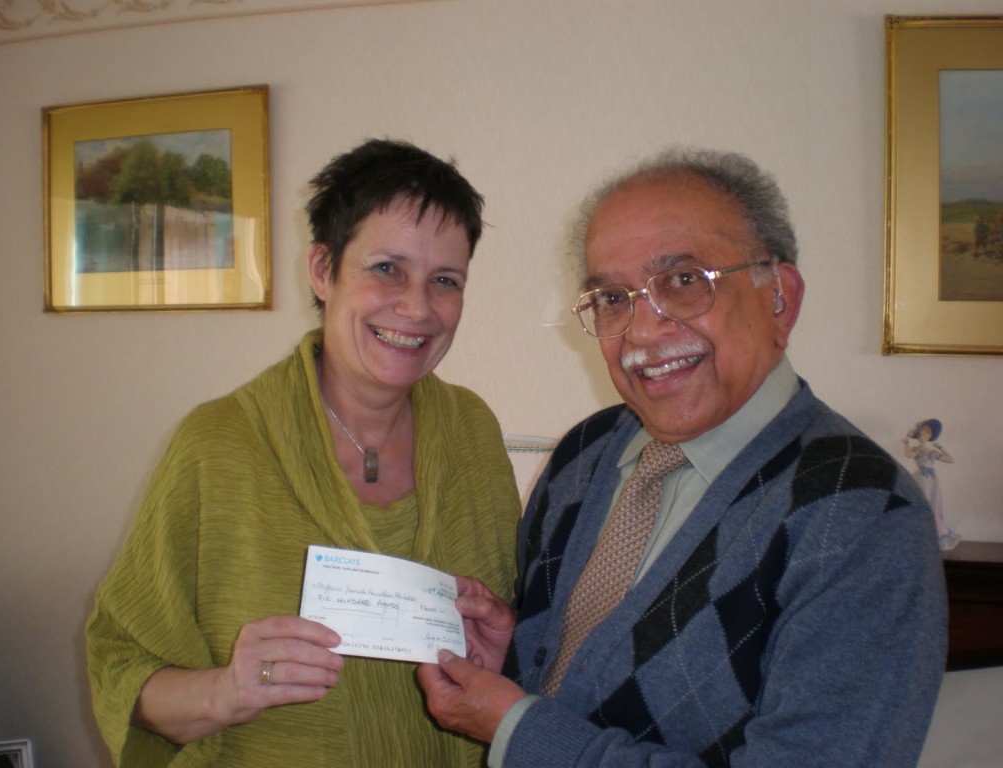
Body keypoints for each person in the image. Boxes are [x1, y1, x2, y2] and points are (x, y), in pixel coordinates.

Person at [418, 147, 947, 767]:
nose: (641, 331)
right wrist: (514, 657)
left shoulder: (863, 516)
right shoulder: (584, 455)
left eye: (684, 281)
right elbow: (584, 686)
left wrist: (520, 727)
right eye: (612, 298)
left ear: (780, 297)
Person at [86, 138, 522, 766]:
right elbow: (120, 666)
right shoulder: (216, 447)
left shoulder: (473, 435)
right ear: (322, 270)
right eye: (387, 268)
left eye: (445, 281)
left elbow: (512, 658)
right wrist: (227, 690)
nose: (417, 307)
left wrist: (505, 649)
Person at [904, 418, 959, 550]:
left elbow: (950, 459)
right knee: (919, 504)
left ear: (930, 436)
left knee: (934, 505)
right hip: (920, 478)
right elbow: (908, 454)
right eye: (921, 433)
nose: (923, 435)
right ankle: (918, 534)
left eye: (926, 433)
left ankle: (935, 533)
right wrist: (906, 444)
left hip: (931, 481)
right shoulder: (917, 450)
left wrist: (941, 448)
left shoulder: (931, 452)